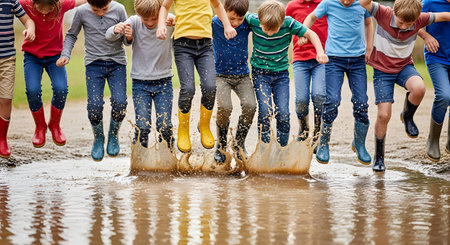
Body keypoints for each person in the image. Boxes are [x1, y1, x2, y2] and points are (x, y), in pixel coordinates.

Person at [359, 0, 450, 171]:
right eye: (401, 22)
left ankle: (407, 115)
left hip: (404, 67)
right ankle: (379, 157)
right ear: (394, 11)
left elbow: (444, 15)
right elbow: (364, 3)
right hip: (382, 71)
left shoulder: (420, 18)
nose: (404, 27)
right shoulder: (383, 13)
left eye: (410, 24)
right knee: (383, 115)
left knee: (419, 88)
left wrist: (424, 32)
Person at [156, 0, 237, 153]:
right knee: (188, 89)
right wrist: (161, 25)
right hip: (182, 45)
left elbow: (218, 5)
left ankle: (204, 124)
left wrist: (227, 25)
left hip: (205, 45)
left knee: (210, 87)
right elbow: (164, 6)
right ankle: (183, 128)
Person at [246, 0, 328, 148]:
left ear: (282, 21)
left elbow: (311, 33)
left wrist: (320, 51)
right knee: (265, 111)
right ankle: (264, 149)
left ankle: (281, 149)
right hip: (260, 74)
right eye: (266, 29)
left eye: (274, 30)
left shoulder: (288, 23)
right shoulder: (253, 19)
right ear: (260, 20)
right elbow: (235, 15)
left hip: (281, 75)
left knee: (283, 113)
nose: (270, 33)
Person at [303, 0, 373, 165]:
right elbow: (311, 17)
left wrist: (369, 48)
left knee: (361, 102)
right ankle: (324, 143)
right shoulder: (328, 3)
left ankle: (359, 143)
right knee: (333, 100)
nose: (347, 2)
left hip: (357, 61)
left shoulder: (363, 4)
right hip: (334, 59)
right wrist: (303, 33)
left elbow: (369, 23)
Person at [57, 0, 128, 161]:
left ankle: (113, 135)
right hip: (93, 65)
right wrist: (65, 54)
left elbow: (126, 40)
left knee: (120, 103)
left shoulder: (119, 9)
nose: (101, 13)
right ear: (89, 3)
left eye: (104, 9)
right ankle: (98, 138)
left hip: (117, 64)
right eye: (96, 10)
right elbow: (71, 35)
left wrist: (127, 36)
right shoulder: (81, 11)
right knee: (94, 106)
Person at [106, 0, 175, 149]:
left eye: (154, 18)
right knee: (142, 126)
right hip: (140, 84)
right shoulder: (134, 22)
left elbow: (185, 28)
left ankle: (169, 158)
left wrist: (176, 22)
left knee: (165, 126)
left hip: (164, 83)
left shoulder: (168, 20)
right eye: (145, 19)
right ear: (138, 14)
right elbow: (109, 36)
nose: (150, 22)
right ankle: (139, 160)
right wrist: (120, 32)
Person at [19, 0, 85, 148]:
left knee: (61, 89)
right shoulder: (25, 4)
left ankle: (55, 125)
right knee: (32, 90)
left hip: (55, 57)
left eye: (48, 8)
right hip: (32, 57)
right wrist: (27, 31)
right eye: (39, 7)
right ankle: (40, 127)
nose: (43, 11)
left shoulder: (62, 5)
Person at [212, 0, 256, 163]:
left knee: (250, 106)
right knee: (225, 107)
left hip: (242, 76)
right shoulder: (214, 23)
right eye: (231, 19)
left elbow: (264, 20)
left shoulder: (248, 23)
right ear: (224, 11)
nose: (236, 23)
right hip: (220, 75)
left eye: (240, 19)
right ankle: (221, 145)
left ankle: (239, 143)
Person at [286, 0, 327, 151]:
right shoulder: (292, 6)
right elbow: (285, 28)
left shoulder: (324, 4)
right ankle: (303, 129)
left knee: (319, 95)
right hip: (299, 59)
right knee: (301, 100)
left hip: (320, 58)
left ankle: (317, 131)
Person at [0, 0, 35, 158]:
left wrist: (30, 29)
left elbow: (28, 20)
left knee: (6, 99)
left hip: (7, 59)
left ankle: (2, 140)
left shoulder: (10, 1)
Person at [420, 0, 450, 162]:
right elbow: (411, 20)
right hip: (437, 56)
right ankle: (433, 140)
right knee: (444, 96)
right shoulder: (430, 2)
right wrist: (426, 36)